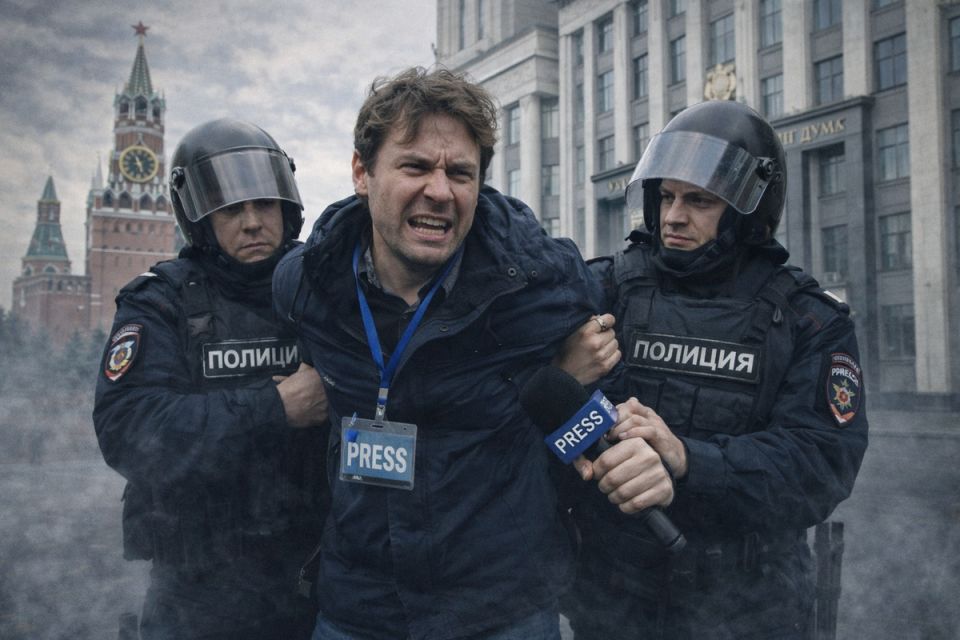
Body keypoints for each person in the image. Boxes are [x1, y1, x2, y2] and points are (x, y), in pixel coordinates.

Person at [272, 66, 666, 640]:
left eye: (460, 173)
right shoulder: (307, 284)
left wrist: (628, 444)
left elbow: (611, 398)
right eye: (415, 166)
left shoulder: (541, 282)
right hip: (358, 610)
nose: (440, 191)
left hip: (501, 613)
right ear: (362, 172)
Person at [562, 100, 869, 640]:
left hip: (749, 610)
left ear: (749, 209)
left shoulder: (807, 319)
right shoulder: (607, 288)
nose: (673, 216)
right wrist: (565, 370)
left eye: (699, 200)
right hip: (615, 604)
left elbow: (822, 464)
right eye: (666, 196)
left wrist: (687, 460)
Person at [94, 118, 329, 640]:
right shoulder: (160, 301)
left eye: (264, 204)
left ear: (287, 208)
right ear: (200, 219)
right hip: (196, 595)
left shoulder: (326, 291)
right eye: (230, 209)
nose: (252, 223)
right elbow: (126, 429)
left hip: (313, 583)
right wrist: (275, 407)